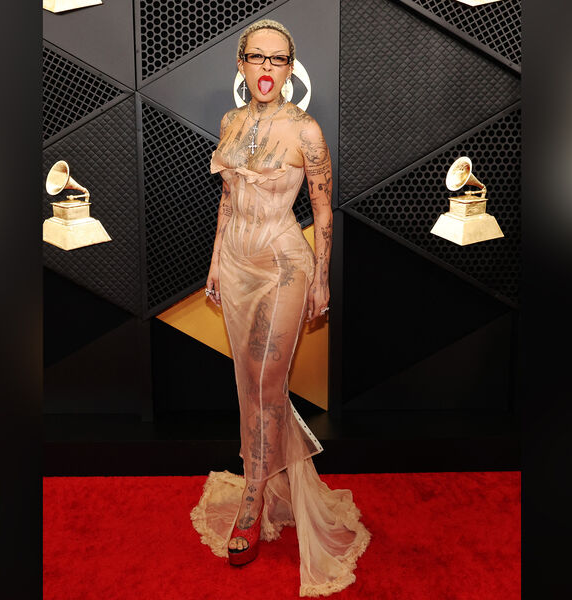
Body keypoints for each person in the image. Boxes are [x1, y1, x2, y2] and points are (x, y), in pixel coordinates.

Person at [190, 19, 371, 596]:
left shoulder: (305, 131)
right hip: (235, 264)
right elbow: (227, 199)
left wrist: (321, 277)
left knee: (268, 382)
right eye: (257, 57)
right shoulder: (230, 122)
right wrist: (215, 262)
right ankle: (265, 479)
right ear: (241, 64)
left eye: (278, 59)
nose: (266, 69)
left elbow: (322, 208)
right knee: (248, 382)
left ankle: (252, 497)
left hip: (283, 266)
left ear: (290, 68)